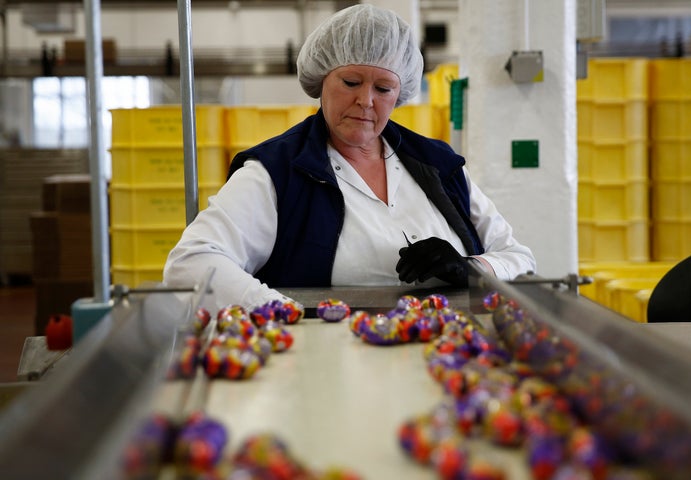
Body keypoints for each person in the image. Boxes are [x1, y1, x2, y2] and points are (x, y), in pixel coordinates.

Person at [163, 3, 536, 311]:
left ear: (400, 93)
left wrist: (469, 268)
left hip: (447, 365)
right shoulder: (277, 172)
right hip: (326, 366)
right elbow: (192, 263)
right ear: (321, 81)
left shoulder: (437, 164)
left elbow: (519, 259)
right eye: (351, 82)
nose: (366, 101)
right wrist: (281, 311)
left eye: (383, 87)